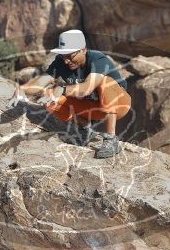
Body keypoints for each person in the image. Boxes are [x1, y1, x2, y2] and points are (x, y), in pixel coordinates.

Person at [11, 29, 131, 159]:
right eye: (64, 56)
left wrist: (62, 89)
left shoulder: (98, 59)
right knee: (50, 98)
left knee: (105, 82)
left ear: (83, 50)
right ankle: (84, 131)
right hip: (93, 108)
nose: (67, 61)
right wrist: (22, 89)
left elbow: (87, 88)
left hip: (118, 105)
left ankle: (111, 139)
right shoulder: (61, 62)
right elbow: (43, 80)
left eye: (70, 56)